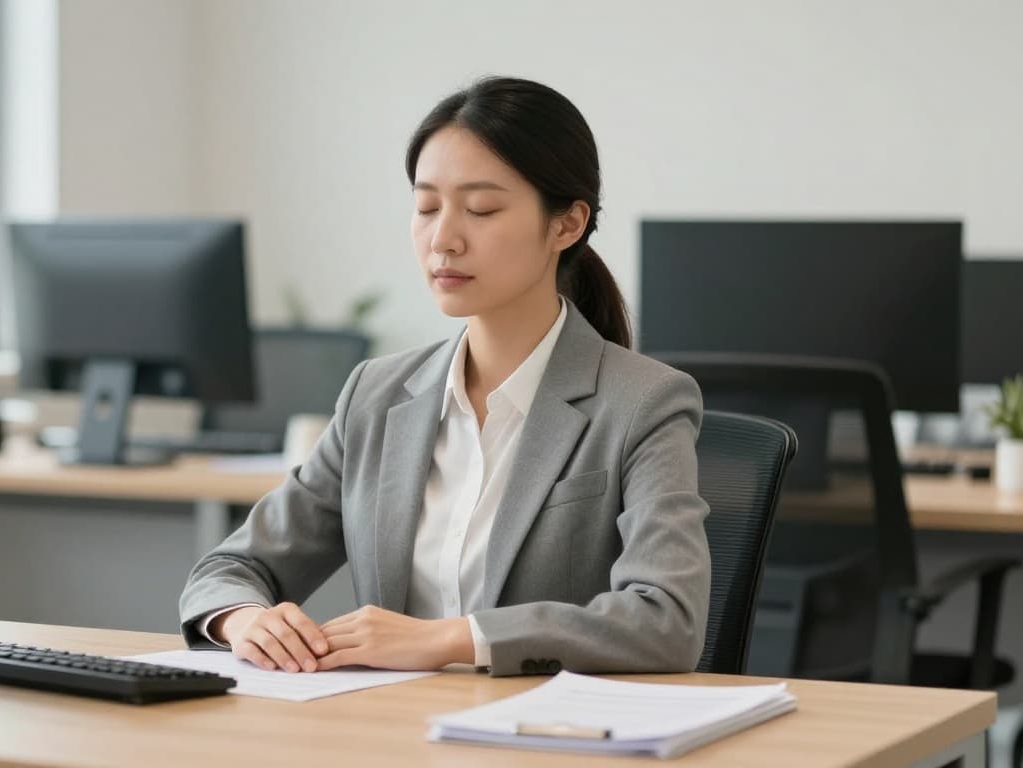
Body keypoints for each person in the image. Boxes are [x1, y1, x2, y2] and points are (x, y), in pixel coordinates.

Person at [178, 76, 710, 677]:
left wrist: (454, 639)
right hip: (391, 728)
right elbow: (229, 570)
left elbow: (667, 620)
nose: (443, 239)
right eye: (427, 207)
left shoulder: (644, 401)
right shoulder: (375, 396)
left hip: (546, 735)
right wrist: (245, 618)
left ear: (565, 225)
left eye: (480, 209)